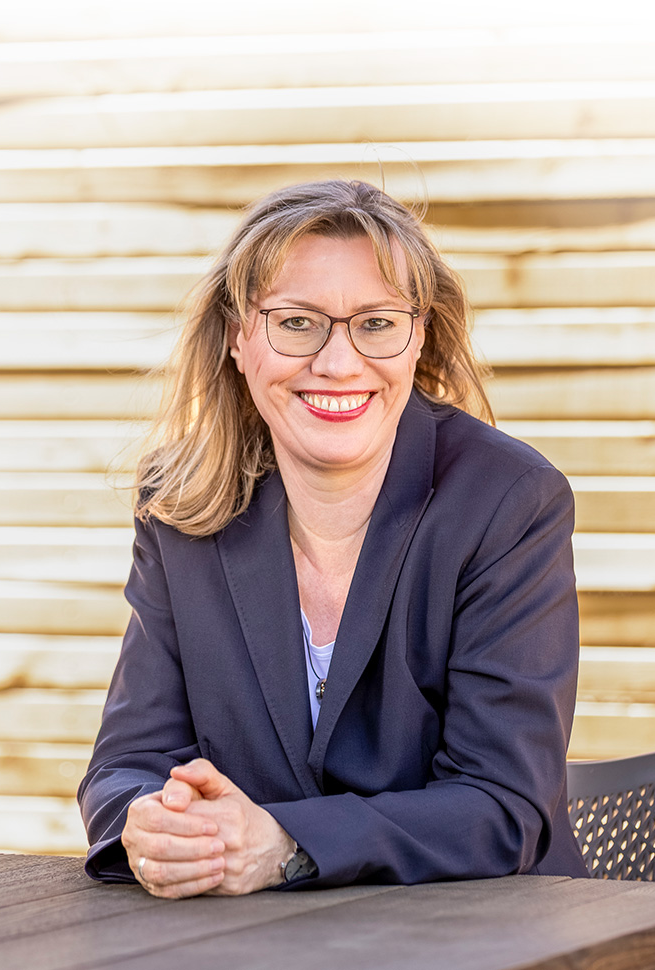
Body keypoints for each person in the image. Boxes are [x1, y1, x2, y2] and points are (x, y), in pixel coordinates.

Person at [76, 179, 589, 896]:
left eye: (376, 323)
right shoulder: (182, 506)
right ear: (237, 337)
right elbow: (125, 765)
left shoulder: (507, 501)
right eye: (296, 322)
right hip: (255, 937)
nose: (339, 363)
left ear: (419, 336)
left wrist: (287, 845)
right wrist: (159, 824)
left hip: (480, 931)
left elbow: (502, 805)